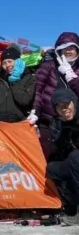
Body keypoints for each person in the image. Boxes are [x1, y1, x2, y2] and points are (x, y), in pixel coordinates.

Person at [32, 32, 79, 159]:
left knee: (71, 160)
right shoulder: (49, 66)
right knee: (48, 159)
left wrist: (71, 77)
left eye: (72, 47)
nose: (68, 51)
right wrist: (34, 111)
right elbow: (38, 90)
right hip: (49, 122)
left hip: (73, 124)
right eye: (65, 47)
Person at [46, 88, 79, 225]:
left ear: (74, 102)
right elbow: (57, 148)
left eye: (66, 104)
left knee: (75, 158)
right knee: (53, 168)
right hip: (74, 162)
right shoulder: (57, 122)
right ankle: (71, 209)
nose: (64, 109)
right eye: (59, 106)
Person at [0, 46, 36, 130]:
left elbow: (24, 100)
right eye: (4, 63)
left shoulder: (29, 78)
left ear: (18, 61)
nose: (7, 65)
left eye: (10, 61)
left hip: (21, 124)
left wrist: (15, 81)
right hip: (1, 124)